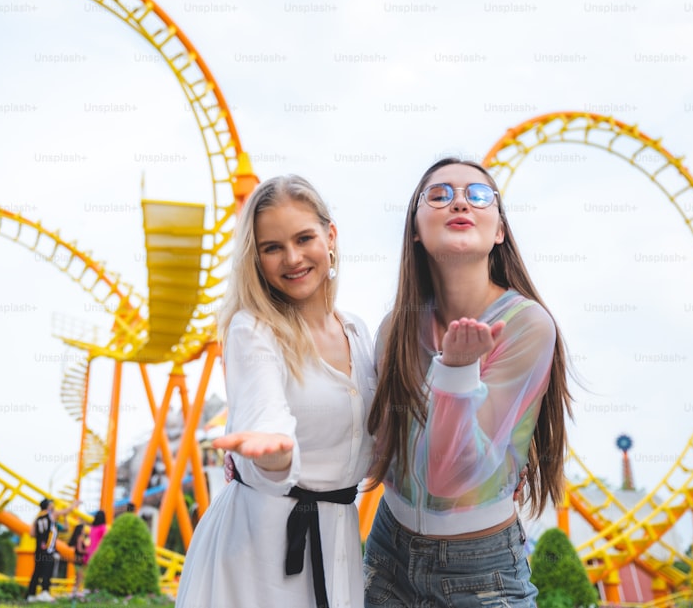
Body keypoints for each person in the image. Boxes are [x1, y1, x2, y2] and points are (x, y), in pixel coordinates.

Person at [363, 158, 573, 607]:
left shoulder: (527, 326)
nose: (460, 201)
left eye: (479, 195)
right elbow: (373, 450)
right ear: (415, 229)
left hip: (479, 570)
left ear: (499, 230)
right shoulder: (393, 331)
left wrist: (457, 372)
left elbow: (448, 479)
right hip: (387, 553)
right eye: (438, 195)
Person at [175, 175, 376, 608]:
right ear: (256, 258)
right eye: (272, 247)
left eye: (304, 238)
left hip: (338, 537)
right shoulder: (253, 329)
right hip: (259, 546)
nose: (292, 258)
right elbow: (264, 409)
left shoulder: (359, 333)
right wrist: (275, 453)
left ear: (330, 237)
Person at [26, 497, 80, 603]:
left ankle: (31, 595)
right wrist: (75, 504)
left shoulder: (37, 519)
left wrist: (43, 534)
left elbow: (32, 534)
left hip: (38, 549)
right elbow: (67, 510)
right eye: (52, 504)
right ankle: (44, 592)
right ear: (48, 506)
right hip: (48, 550)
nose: (54, 506)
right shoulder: (51, 514)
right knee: (47, 571)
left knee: (37, 572)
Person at [67, 523, 89, 596]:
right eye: (83, 529)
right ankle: (75, 592)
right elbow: (79, 549)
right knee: (80, 576)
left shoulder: (79, 537)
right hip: (79, 559)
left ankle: (75, 591)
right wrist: (88, 552)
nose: (84, 530)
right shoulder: (80, 538)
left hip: (77, 559)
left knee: (78, 576)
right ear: (81, 530)